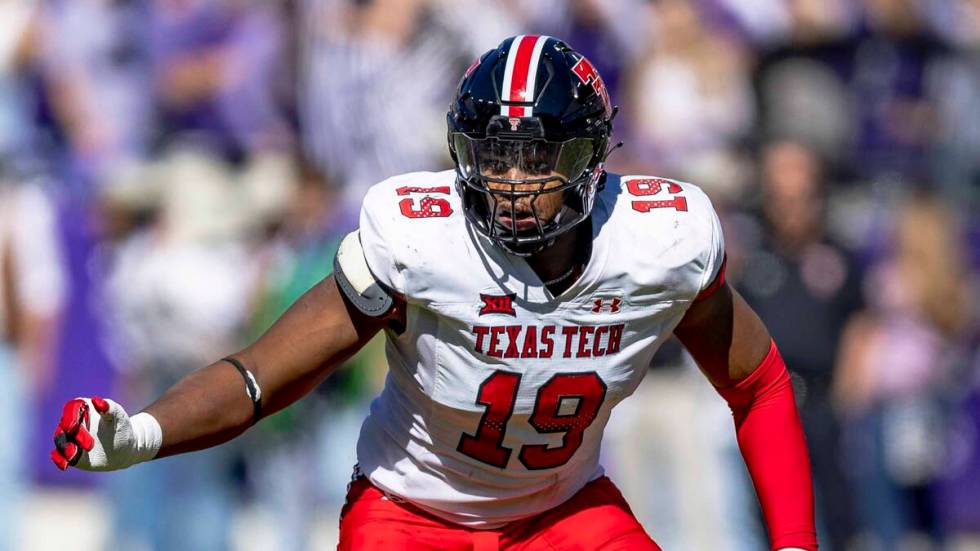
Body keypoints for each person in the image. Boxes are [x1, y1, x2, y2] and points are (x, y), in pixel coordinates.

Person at [51, 35, 817, 550]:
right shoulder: (424, 236)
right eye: (493, 154)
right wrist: (143, 432)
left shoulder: (660, 238)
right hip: (411, 516)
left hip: (561, 512)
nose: (509, 180)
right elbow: (258, 377)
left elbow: (757, 382)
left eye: (533, 157)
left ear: (588, 159)